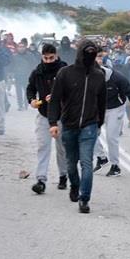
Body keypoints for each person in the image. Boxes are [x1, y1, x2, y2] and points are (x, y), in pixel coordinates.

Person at [48, 40, 107, 214]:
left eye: (93, 52)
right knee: (71, 164)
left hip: (90, 126)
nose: (90, 56)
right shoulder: (65, 73)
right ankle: (75, 185)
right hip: (69, 124)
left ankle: (84, 198)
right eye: (87, 52)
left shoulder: (99, 76)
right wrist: (53, 123)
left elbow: (101, 102)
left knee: (87, 163)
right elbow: (56, 99)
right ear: (80, 53)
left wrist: (99, 123)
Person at [26, 43, 68, 194]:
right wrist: (31, 100)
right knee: (42, 147)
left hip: (62, 116)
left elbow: (74, 90)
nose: (49, 61)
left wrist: (58, 96)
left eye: (51, 58)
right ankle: (41, 180)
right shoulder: (37, 72)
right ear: (42, 57)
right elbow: (30, 88)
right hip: (43, 114)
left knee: (62, 148)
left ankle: (64, 175)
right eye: (46, 58)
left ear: (56, 55)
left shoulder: (65, 70)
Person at [93, 50, 130, 176]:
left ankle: (115, 166)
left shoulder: (117, 78)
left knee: (111, 137)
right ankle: (102, 158)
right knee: (89, 133)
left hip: (115, 108)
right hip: (98, 109)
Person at [13, 38, 38, 111]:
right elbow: (12, 66)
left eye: (22, 47)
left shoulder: (29, 55)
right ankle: (20, 105)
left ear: (25, 47)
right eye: (19, 47)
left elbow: (34, 65)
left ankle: (26, 104)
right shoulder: (15, 56)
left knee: (26, 91)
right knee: (18, 91)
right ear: (17, 48)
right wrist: (11, 75)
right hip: (17, 76)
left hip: (27, 76)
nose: (21, 48)